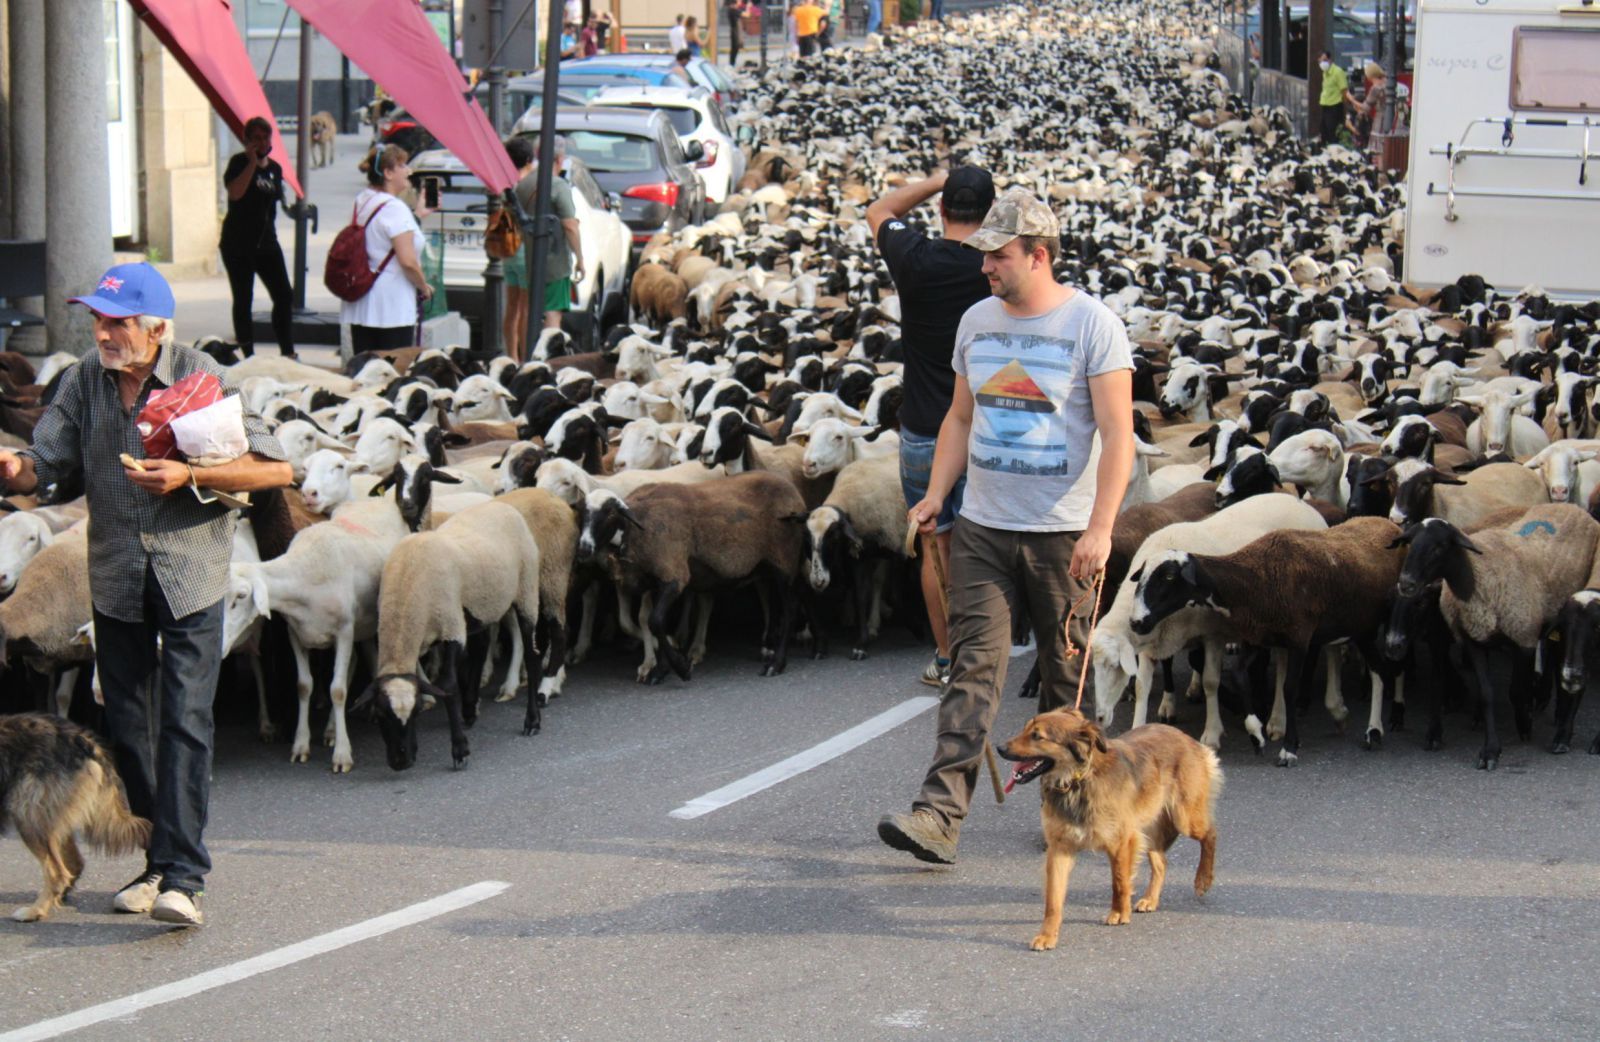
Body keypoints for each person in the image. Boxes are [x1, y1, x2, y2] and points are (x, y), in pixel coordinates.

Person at [0, 263, 291, 927]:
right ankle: (156, 862)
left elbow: (275, 467)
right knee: (126, 723)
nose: (104, 333)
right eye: (99, 321)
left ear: (157, 328)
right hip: (116, 576)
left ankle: (184, 876)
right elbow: (47, 465)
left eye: (118, 323)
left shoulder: (202, 379)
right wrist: (17, 469)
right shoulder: (84, 383)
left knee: (186, 721)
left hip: (190, 573)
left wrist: (192, 472)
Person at [877, 189, 1136, 866]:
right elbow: (960, 417)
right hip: (985, 527)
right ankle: (938, 816)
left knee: (1063, 674)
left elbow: (1118, 435)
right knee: (973, 671)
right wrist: (938, 493)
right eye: (984, 256)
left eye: (998, 256)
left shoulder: (1092, 326)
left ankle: (1068, 810)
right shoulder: (976, 322)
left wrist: (1101, 528)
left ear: (1038, 255)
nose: (986, 267)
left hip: (1064, 533)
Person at [866, 166, 995, 688]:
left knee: (935, 544)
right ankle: (985, 654)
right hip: (983, 425)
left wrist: (937, 179)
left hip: (923, 425)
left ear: (942, 209)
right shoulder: (993, 266)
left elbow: (879, 211)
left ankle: (947, 656)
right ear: (987, 216)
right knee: (985, 542)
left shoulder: (913, 258)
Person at [342, 144, 434, 352]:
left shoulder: (362, 200)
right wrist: (423, 286)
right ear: (388, 173)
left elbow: (381, 239)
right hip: (391, 306)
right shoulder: (395, 208)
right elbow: (408, 261)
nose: (408, 170)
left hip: (363, 300)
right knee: (393, 373)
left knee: (366, 370)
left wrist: (417, 216)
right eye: (402, 165)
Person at [220, 116, 296, 360]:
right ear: (247, 141)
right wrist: (252, 163)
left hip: (267, 244)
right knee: (244, 298)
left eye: (265, 138)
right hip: (238, 244)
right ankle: (248, 352)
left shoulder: (275, 169)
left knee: (284, 295)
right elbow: (235, 193)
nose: (262, 143)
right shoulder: (238, 163)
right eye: (256, 139)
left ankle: (287, 350)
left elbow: (276, 201)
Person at [513, 134, 586, 343]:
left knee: (531, 312)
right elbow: (570, 225)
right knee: (553, 314)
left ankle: (528, 355)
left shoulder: (525, 184)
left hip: (531, 261)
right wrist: (580, 258)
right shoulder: (557, 185)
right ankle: (548, 361)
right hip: (555, 261)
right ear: (560, 159)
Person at [502, 136, 537, 363]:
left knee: (512, 306)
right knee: (526, 308)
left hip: (509, 249)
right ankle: (526, 359)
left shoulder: (505, 184)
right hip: (525, 249)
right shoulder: (531, 185)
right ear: (528, 159)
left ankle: (511, 356)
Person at [1318, 51, 1358, 147]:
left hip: (1335, 106)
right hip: (1325, 105)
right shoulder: (1325, 73)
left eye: (1325, 60)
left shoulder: (1337, 72)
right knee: (1323, 132)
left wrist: (1346, 108)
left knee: (1332, 133)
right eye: (1320, 61)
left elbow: (1344, 91)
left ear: (1330, 60)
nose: (1323, 63)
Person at [726, 0, 749, 65]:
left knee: (734, 49)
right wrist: (748, 7)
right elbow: (747, 15)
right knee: (735, 49)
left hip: (734, 31)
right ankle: (732, 64)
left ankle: (732, 64)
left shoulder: (731, 10)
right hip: (735, 32)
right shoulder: (734, 10)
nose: (740, 1)